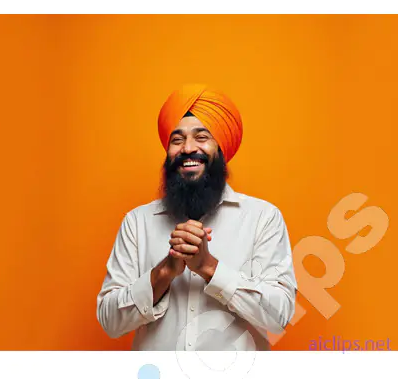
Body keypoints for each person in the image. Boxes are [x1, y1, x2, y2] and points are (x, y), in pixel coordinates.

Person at [96, 84, 298, 351]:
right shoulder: (137, 222)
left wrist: (209, 267)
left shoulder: (263, 218)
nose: (188, 148)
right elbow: (109, 322)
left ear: (221, 148)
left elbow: (278, 317)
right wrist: (163, 273)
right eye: (177, 140)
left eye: (201, 137)